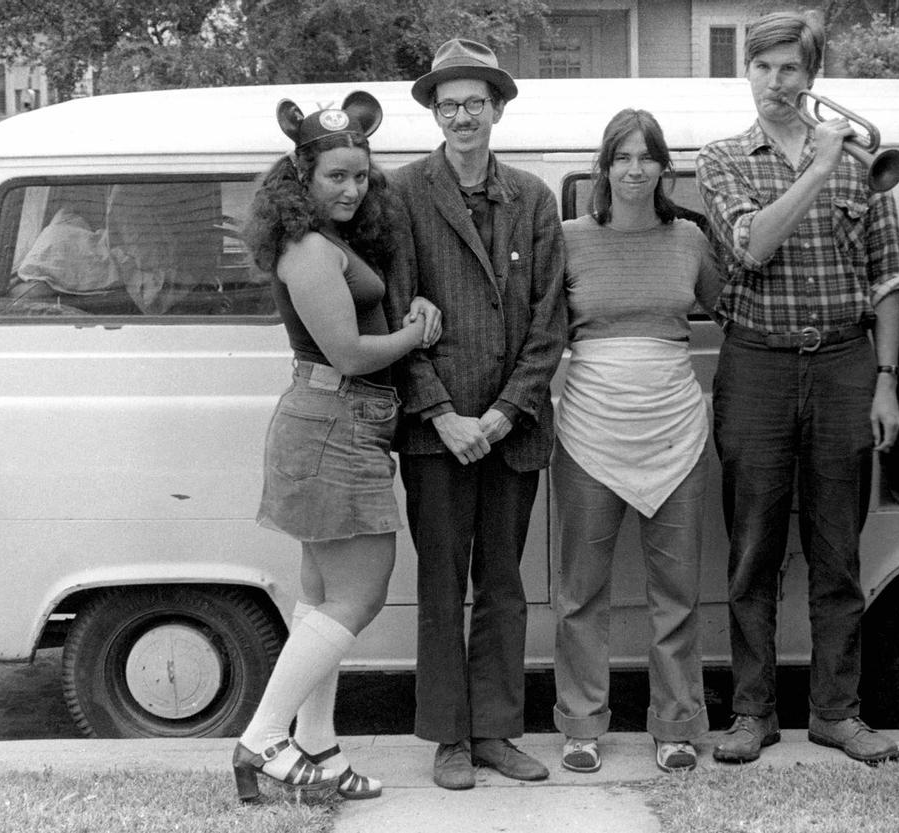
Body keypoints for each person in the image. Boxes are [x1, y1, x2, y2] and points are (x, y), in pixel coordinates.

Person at [695, 11, 899, 765]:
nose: (777, 82)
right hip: (756, 363)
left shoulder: (862, 163)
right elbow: (751, 245)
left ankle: (836, 712)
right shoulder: (721, 159)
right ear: (746, 73)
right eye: (764, 68)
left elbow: (887, 276)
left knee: (837, 549)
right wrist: (818, 167)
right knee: (753, 547)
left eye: (790, 68)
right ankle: (751, 713)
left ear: (811, 76)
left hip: (847, 362)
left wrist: (885, 382)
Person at [233, 91, 442, 803]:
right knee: (361, 592)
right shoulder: (311, 248)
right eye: (336, 177)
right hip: (336, 420)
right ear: (302, 175)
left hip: (336, 421)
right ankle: (265, 738)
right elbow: (350, 353)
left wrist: (407, 313)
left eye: (360, 175)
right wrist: (416, 331)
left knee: (322, 598)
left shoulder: (327, 239)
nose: (352, 189)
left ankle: (318, 746)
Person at [387, 39, 566, 791]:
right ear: (435, 112)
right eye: (449, 104)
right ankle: (448, 737)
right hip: (438, 437)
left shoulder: (533, 198)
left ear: (497, 109)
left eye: (475, 103)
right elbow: (395, 314)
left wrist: (502, 413)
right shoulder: (402, 193)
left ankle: (494, 731)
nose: (463, 116)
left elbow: (549, 323)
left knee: (502, 584)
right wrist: (442, 414)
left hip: (510, 433)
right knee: (440, 585)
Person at [552, 108, 725, 775]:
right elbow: (541, 328)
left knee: (677, 592)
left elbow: (730, 312)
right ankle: (580, 725)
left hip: (675, 430)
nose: (633, 169)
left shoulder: (689, 238)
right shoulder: (569, 239)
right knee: (580, 592)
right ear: (603, 166)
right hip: (589, 431)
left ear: (663, 167)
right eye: (621, 157)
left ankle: (676, 725)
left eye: (645, 157)